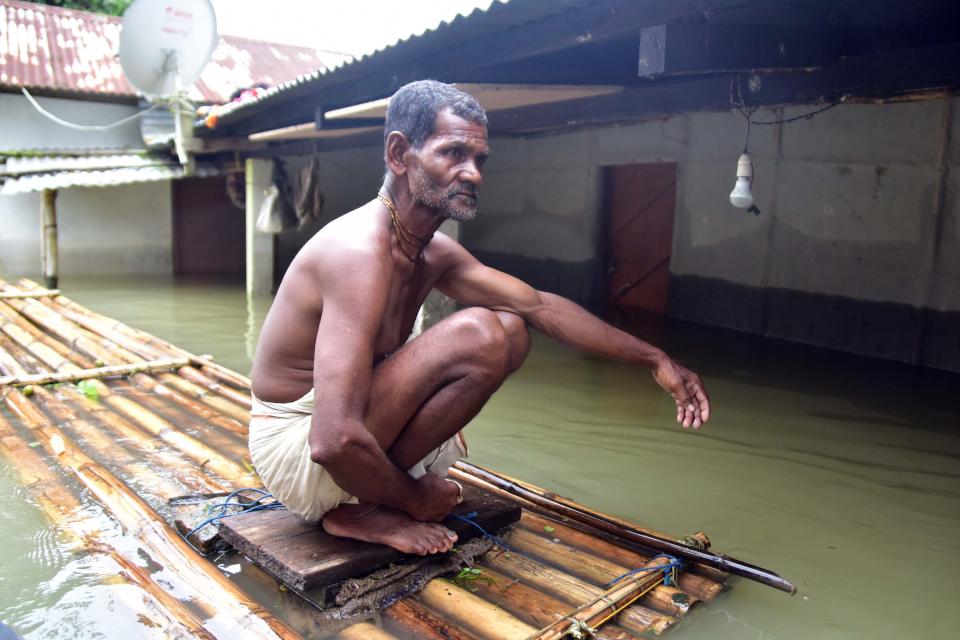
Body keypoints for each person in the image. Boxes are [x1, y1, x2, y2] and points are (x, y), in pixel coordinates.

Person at [249, 80, 710, 556]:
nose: (473, 174)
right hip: (300, 452)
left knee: (510, 329)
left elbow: (540, 307)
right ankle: (365, 508)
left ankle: (369, 498)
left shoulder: (431, 251)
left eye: (480, 159)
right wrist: (416, 497)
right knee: (481, 331)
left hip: (344, 441)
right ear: (399, 154)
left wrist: (655, 359)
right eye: (452, 153)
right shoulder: (358, 253)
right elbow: (331, 440)